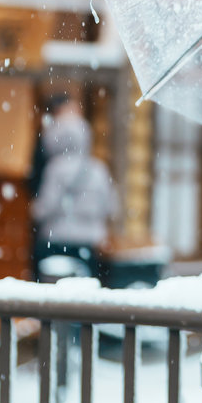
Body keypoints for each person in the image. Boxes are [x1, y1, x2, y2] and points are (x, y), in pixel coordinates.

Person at [31, 104, 117, 277]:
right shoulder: (98, 169)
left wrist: (34, 210)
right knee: (85, 287)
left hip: (57, 240)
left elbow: (45, 208)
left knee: (55, 287)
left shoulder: (55, 168)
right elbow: (111, 207)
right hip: (89, 243)